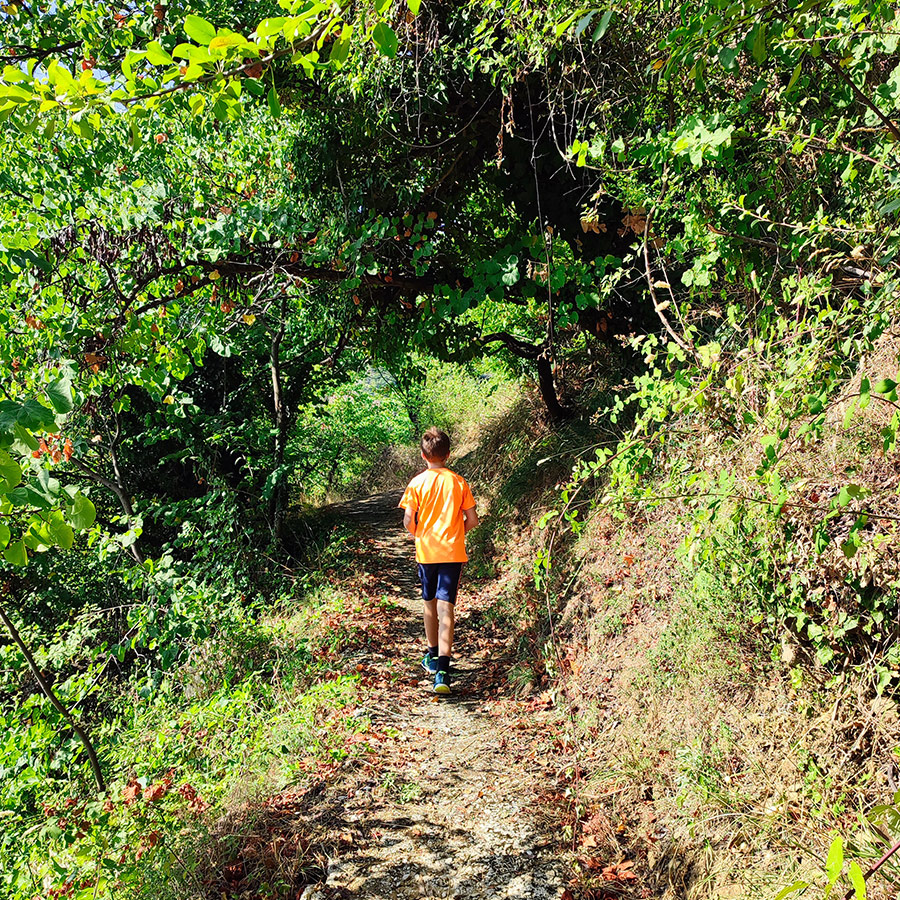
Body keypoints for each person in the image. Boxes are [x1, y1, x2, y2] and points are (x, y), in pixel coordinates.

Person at [399, 427, 479, 694]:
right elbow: (473, 520)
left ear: (423, 456)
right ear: (449, 454)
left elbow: (409, 520)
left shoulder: (416, 483)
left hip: (427, 553)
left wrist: (420, 535)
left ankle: (432, 656)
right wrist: (455, 534)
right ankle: (443, 671)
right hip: (452, 552)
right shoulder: (459, 482)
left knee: (429, 603)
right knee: (448, 607)